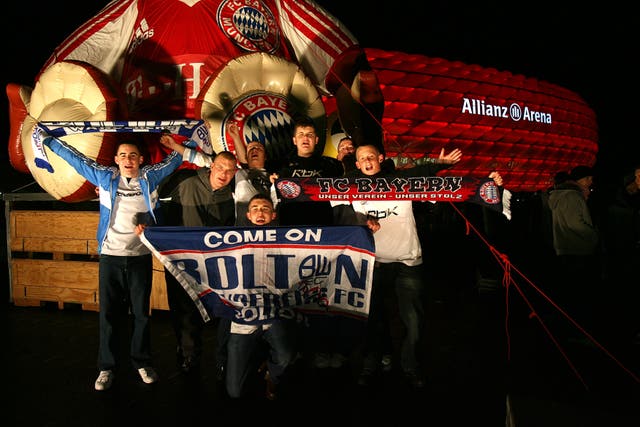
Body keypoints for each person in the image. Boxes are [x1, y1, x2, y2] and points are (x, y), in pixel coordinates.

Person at [38, 128, 188, 391]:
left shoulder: (150, 177)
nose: (128, 160)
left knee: (141, 315)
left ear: (141, 159)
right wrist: (47, 139)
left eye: (133, 155)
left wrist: (192, 136)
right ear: (116, 160)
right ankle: (106, 368)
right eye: (123, 156)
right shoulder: (104, 176)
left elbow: (176, 159)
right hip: (110, 256)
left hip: (140, 257)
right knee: (108, 316)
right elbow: (74, 158)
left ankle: (142, 362)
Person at [336, 143, 462, 389]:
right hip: (373, 262)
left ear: (380, 158)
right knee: (373, 319)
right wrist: (362, 219)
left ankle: (409, 365)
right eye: (362, 158)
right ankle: (372, 362)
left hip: (407, 261)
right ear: (358, 163)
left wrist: (441, 165)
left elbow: (420, 175)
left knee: (413, 320)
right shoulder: (348, 184)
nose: (368, 161)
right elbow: (337, 211)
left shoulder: (399, 181)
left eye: (371, 156)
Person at [157, 149, 238, 376]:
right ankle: (188, 354)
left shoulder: (231, 196)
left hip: (210, 263)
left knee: (208, 309)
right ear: (211, 166)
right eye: (221, 167)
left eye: (230, 171)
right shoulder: (185, 182)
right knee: (183, 309)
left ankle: (205, 353)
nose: (224, 173)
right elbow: (153, 199)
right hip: (181, 259)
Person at [274, 115, 344, 368]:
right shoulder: (281, 164)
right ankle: (297, 350)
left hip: (323, 239)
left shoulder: (330, 166)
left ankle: (324, 349)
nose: (305, 138)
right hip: (291, 240)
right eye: (301, 134)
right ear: (294, 140)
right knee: (294, 298)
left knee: (323, 297)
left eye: (309, 135)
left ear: (316, 140)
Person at [225, 194, 297, 400]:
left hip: (273, 310)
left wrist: (362, 231)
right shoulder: (233, 239)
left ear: (273, 215)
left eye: (265, 208)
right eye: (255, 208)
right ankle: (259, 358)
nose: (260, 212)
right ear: (248, 215)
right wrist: (148, 234)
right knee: (234, 391)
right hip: (243, 315)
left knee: (285, 357)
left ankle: (271, 375)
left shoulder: (288, 238)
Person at [548, 164, 600, 342]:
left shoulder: (562, 195)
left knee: (571, 292)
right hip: (577, 250)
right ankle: (578, 331)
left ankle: (570, 328)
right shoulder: (572, 196)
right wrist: (594, 235)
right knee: (579, 293)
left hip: (566, 248)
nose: (591, 181)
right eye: (588, 178)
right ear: (580, 180)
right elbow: (575, 223)